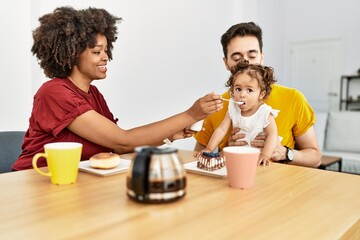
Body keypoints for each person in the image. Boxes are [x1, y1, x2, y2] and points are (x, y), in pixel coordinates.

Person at [12, 7, 223, 171]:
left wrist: (170, 136)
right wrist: (191, 114)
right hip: (34, 183)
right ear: (73, 54)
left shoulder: (93, 95)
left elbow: (113, 147)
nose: (105, 57)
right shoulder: (54, 92)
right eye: (96, 51)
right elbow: (122, 141)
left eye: (106, 50)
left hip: (74, 184)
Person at [194, 22, 321, 168]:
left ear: (262, 57)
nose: (246, 62)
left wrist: (285, 153)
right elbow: (200, 158)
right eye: (236, 59)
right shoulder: (218, 105)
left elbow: (316, 159)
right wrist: (226, 151)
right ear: (226, 63)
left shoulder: (294, 98)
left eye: (252, 55)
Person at [196, 60, 278, 166]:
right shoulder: (233, 108)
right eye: (238, 89)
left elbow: (273, 135)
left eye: (249, 90)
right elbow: (221, 130)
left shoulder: (265, 112)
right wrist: (209, 148)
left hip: (257, 160)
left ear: (261, 95)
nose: (242, 94)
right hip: (237, 157)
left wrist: (265, 155)